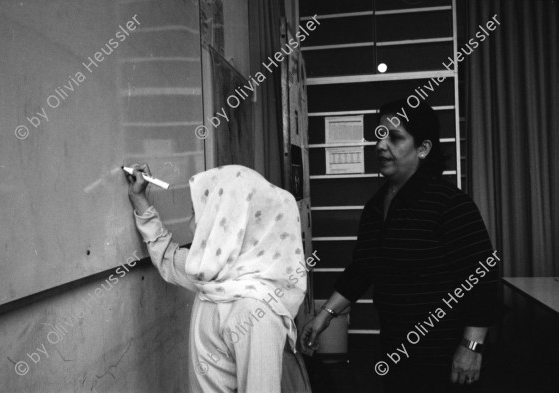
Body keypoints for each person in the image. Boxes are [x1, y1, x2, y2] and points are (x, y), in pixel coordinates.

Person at [300, 99, 502, 393]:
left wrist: (471, 347)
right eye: (379, 135)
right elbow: (362, 270)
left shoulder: (450, 204)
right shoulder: (375, 207)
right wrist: (323, 317)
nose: (381, 145)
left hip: (445, 354)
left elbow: (482, 279)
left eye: (394, 137)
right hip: (396, 349)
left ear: (422, 149)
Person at [126, 164, 312, 393]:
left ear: (227, 222)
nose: (192, 223)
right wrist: (140, 200)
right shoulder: (217, 276)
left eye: (200, 213)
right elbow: (168, 258)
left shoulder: (256, 311)